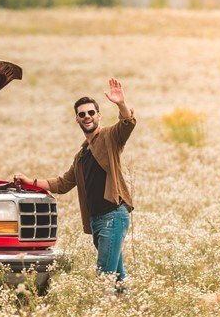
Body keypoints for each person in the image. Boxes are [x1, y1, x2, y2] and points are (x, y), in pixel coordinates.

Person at [14, 78, 136, 287]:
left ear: (99, 115)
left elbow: (127, 124)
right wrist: (30, 181)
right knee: (117, 279)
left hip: (113, 215)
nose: (87, 117)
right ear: (77, 120)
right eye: (82, 114)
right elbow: (62, 183)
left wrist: (121, 103)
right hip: (97, 221)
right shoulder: (81, 156)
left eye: (91, 113)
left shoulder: (109, 137)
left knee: (104, 278)